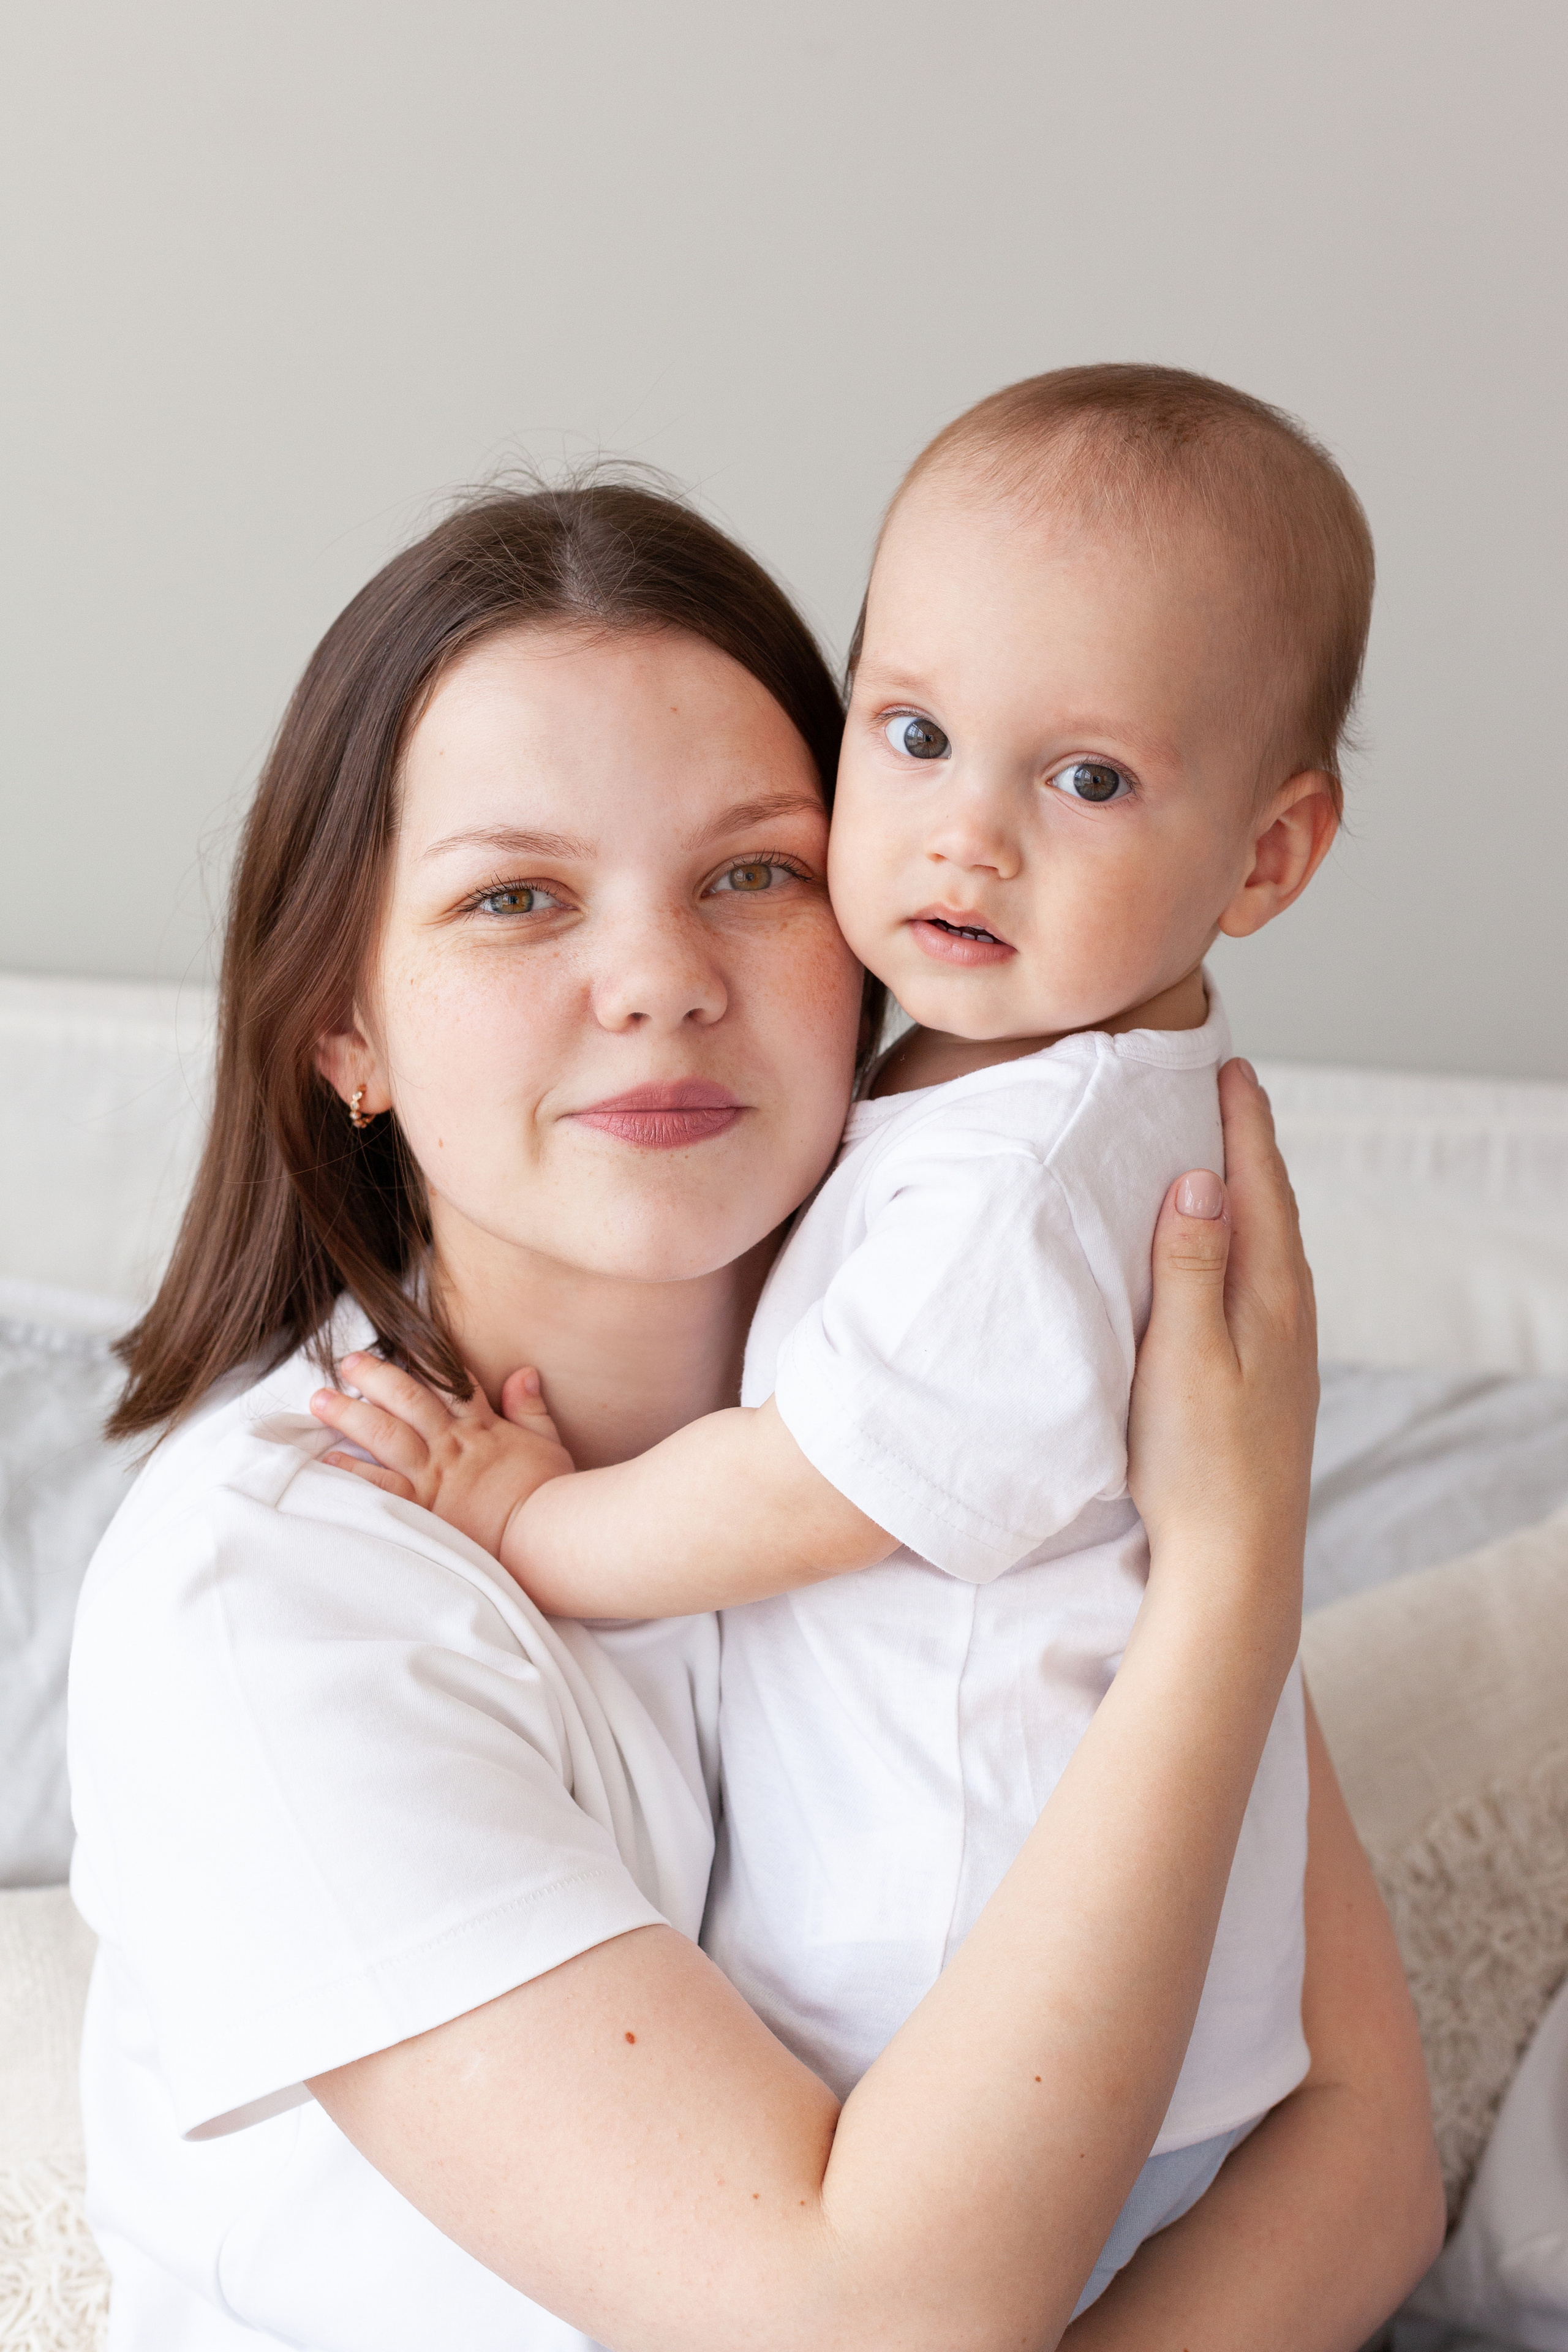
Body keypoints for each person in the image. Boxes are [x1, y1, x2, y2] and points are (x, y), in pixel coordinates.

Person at [72, 479, 1442, 2352]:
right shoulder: (275, 1598)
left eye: (754, 872)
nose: (657, 982)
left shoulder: (1017, 1394)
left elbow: (1365, 2158)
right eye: (515, 897)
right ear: (346, 1031)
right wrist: (1227, 1587)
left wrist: (1212, 1550)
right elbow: (862, 2325)